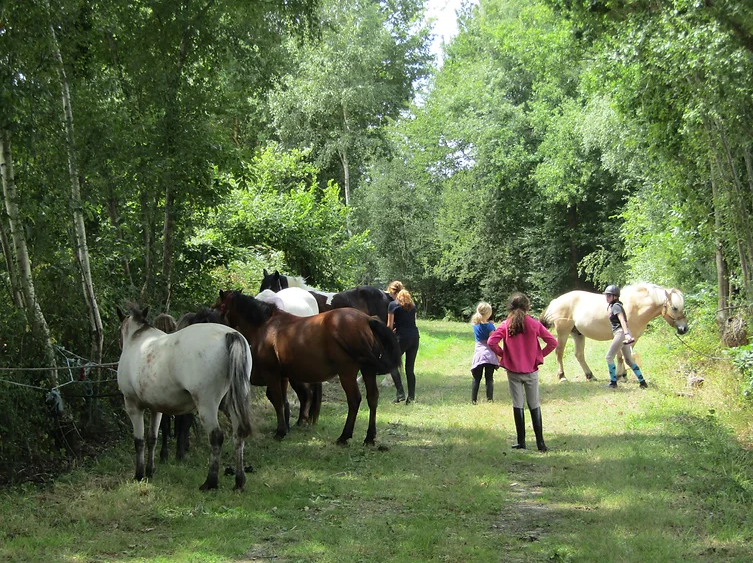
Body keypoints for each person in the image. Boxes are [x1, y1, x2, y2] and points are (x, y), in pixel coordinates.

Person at [488, 292, 557, 452]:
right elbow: (552, 342)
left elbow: (492, 341)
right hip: (531, 370)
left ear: (510, 307)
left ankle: (521, 442)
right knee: (534, 404)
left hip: (513, 371)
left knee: (517, 405)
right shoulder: (534, 324)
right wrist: (538, 355)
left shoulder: (506, 324)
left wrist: (503, 354)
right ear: (528, 307)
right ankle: (540, 443)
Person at [604, 285, 648, 389]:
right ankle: (642, 382)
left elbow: (622, 320)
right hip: (622, 333)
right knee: (628, 360)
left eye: (609, 295)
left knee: (609, 357)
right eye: (606, 295)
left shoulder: (616, 306)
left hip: (621, 333)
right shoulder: (615, 305)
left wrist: (627, 334)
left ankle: (613, 382)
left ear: (615, 296)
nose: (606, 297)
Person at [387, 288, 419, 404]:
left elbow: (389, 326)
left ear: (396, 295)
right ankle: (411, 398)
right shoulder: (413, 306)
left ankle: (400, 392)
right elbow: (412, 321)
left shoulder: (393, 305)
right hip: (415, 338)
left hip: (401, 338)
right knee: (410, 369)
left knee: (392, 363)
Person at [470, 301, 499, 404]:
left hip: (478, 354)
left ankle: (473, 400)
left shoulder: (474, 324)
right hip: (489, 354)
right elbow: (492, 340)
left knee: (476, 379)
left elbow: (481, 326)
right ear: (488, 313)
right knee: (489, 378)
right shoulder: (490, 327)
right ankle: (489, 399)